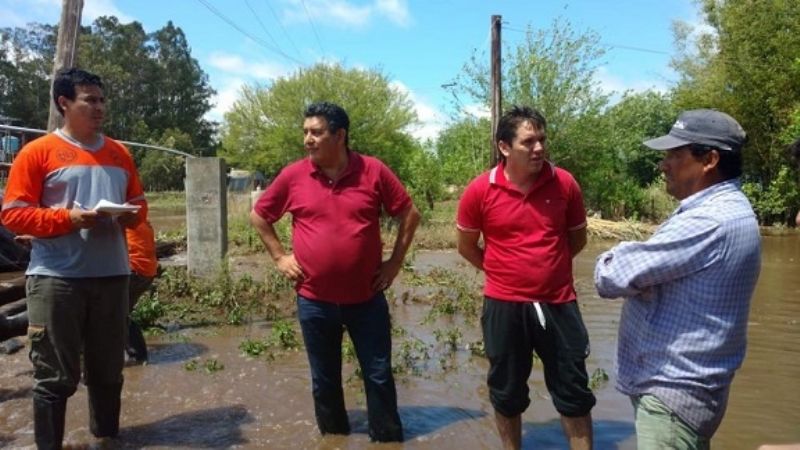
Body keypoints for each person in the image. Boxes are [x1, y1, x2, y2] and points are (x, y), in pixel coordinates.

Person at [250, 101, 420, 442]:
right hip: (315, 301)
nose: (308, 140)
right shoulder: (293, 175)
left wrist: (394, 263)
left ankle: (386, 440)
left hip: (367, 299)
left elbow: (409, 214)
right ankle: (333, 439)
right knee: (324, 379)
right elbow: (259, 216)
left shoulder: (372, 170)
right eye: (305, 133)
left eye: (316, 132)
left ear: (339, 135)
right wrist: (280, 257)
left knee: (378, 375)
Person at [594, 109, 761, 449]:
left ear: (709, 159)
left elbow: (610, 276)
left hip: (673, 396)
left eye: (675, 154)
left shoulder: (709, 221)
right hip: (694, 391)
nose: (663, 164)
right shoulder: (730, 209)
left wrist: (621, 250)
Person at [1, 68, 147, 449]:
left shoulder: (119, 153)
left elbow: (140, 204)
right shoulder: (38, 153)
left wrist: (132, 214)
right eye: (90, 100)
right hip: (56, 279)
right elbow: (13, 214)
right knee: (54, 376)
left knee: (108, 372)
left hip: (112, 276)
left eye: (101, 100)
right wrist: (69, 218)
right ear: (64, 103)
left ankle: (107, 440)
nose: (99, 107)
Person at [456, 105, 595, 450]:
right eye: (528, 141)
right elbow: (466, 246)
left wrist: (549, 268)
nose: (539, 148)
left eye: (542, 140)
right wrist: (503, 272)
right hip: (504, 305)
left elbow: (577, 240)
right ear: (504, 147)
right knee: (506, 392)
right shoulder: (479, 190)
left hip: (558, 302)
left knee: (573, 390)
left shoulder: (564, 183)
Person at [125, 220, 158, 363]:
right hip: (147, 272)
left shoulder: (119, 217)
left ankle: (137, 355)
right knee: (120, 313)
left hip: (133, 270)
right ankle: (137, 355)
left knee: (113, 314)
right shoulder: (141, 219)